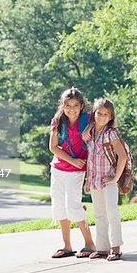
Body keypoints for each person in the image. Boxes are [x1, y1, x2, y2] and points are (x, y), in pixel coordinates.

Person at [49, 87, 96, 258]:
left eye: (75, 105)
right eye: (67, 105)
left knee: (73, 206)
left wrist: (84, 167)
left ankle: (90, 244)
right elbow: (53, 147)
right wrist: (71, 160)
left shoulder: (89, 120)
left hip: (76, 171)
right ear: (62, 105)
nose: (71, 109)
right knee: (59, 207)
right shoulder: (57, 121)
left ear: (82, 106)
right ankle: (67, 246)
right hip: (58, 169)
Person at [84, 98, 126, 261]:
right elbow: (90, 158)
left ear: (110, 117)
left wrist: (115, 177)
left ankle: (115, 248)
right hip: (95, 181)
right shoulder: (90, 134)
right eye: (98, 113)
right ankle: (102, 248)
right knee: (99, 214)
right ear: (94, 114)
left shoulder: (111, 134)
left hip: (108, 181)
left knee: (112, 212)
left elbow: (122, 156)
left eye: (105, 114)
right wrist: (88, 180)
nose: (101, 116)